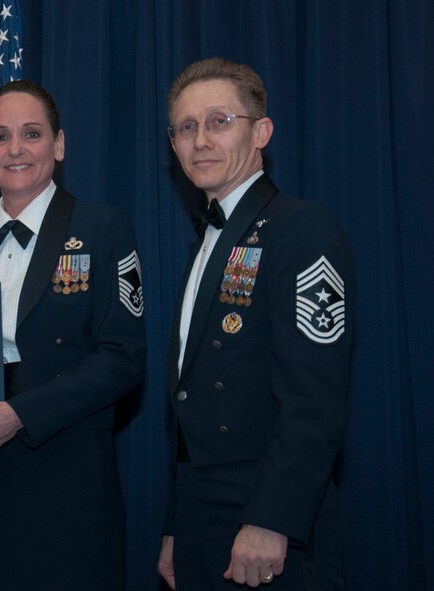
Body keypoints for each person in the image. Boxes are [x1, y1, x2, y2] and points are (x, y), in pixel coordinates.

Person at [156, 58, 355, 589]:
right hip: (202, 514)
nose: (200, 140)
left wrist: (273, 518)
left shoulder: (301, 226)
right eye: (186, 127)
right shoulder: (206, 242)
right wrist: (178, 522)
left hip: (265, 513)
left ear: (261, 131)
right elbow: (188, 404)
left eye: (219, 121)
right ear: (173, 145)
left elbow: (314, 396)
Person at [0, 80, 146, 590]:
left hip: (68, 472)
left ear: (58, 145)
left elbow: (123, 357)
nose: (15, 149)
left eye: (31, 134)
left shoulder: (103, 227)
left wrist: (19, 415)